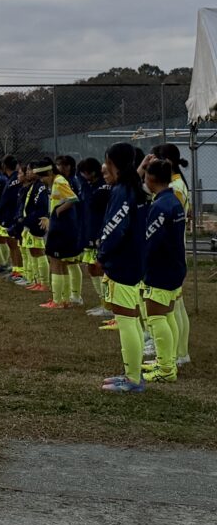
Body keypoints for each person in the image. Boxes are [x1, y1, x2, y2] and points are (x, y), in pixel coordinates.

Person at [98, 142, 150, 392]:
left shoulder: (122, 190)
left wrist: (102, 253)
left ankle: (133, 379)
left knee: (126, 320)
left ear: (112, 162)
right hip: (134, 259)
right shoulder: (134, 187)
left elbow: (114, 228)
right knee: (132, 319)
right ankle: (133, 373)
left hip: (123, 262)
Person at [138, 159, 186, 384]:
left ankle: (166, 369)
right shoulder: (173, 201)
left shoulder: (160, 206)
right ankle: (168, 359)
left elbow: (152, 242)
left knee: (156, 317)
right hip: (175, 266)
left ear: (151, 179)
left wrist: (142, 265)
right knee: (167, 315)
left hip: (161, 269)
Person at [146, 144, 192, 367]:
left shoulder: (173, 190)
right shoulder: (176, 187)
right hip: (174, 255)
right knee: (174, 310)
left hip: (168, 255)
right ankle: (175, 353)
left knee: (169, 312)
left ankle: (178, 354)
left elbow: (155, 235)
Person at [37, 157, 81, 309]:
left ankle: (57, 300)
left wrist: (57, 212)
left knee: (55, 263)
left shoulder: (59, 181)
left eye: (43, 176)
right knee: (62, 264)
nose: (42, 180)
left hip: (61, 229)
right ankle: (65, 299)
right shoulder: (57, 181)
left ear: (50, 172)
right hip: (63, 228)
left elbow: (73, 198)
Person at [77, 158, 112, 319]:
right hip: (89, 231)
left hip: (100, 232)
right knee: (91, 268)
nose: (83, 176)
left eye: (84, 172)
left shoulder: (102, 188)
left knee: (101, 268)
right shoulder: (89, 186)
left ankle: (109, 305)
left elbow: (92, 203)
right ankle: (102, 301)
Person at [22, 163, 50, 293]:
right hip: (30, 223)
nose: (27, 172)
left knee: (38, 252)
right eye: (26, 170)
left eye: (29, 170)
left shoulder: (40, 187)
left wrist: (31, 220)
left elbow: (42, 207)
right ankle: (37, 281)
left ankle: (44, 283)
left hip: (37, 223)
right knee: (33, 252)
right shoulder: (34, 186)